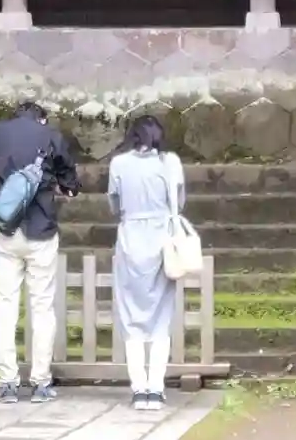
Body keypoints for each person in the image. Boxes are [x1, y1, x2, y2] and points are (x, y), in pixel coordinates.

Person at [0, 100, 80, 405]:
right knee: (42, 306)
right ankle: (40, 382)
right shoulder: (50, 136)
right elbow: (70, 182)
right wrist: (64, 187)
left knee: (5, 303)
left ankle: (8, 383)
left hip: (6, 231)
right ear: (41, 119)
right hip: (41, 231)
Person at [107, 114, 185, 412]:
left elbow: (114, 204)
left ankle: (138, 389)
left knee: (131, 317)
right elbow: (179, 201)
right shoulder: (171, 162)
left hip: (130, 241)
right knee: (161, 317)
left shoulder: (118, 164)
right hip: (162, 241)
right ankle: (156, 388)